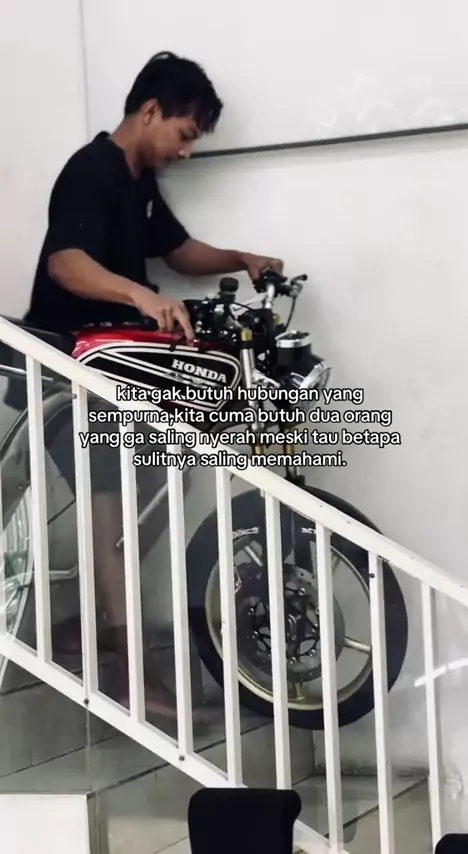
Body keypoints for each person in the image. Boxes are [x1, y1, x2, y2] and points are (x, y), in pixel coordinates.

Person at [22, 51, 284, 720]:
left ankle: (85, 623)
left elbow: (179, 251)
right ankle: (130, 671)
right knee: (113, 500)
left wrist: (240, 258)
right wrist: (139, 295)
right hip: (64, 373)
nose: (187, 151)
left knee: (165, 483)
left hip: (110, 373)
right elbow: (66, 263)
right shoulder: (90, 169)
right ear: (150, 111)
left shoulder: (138, 181)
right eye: (185, 134)